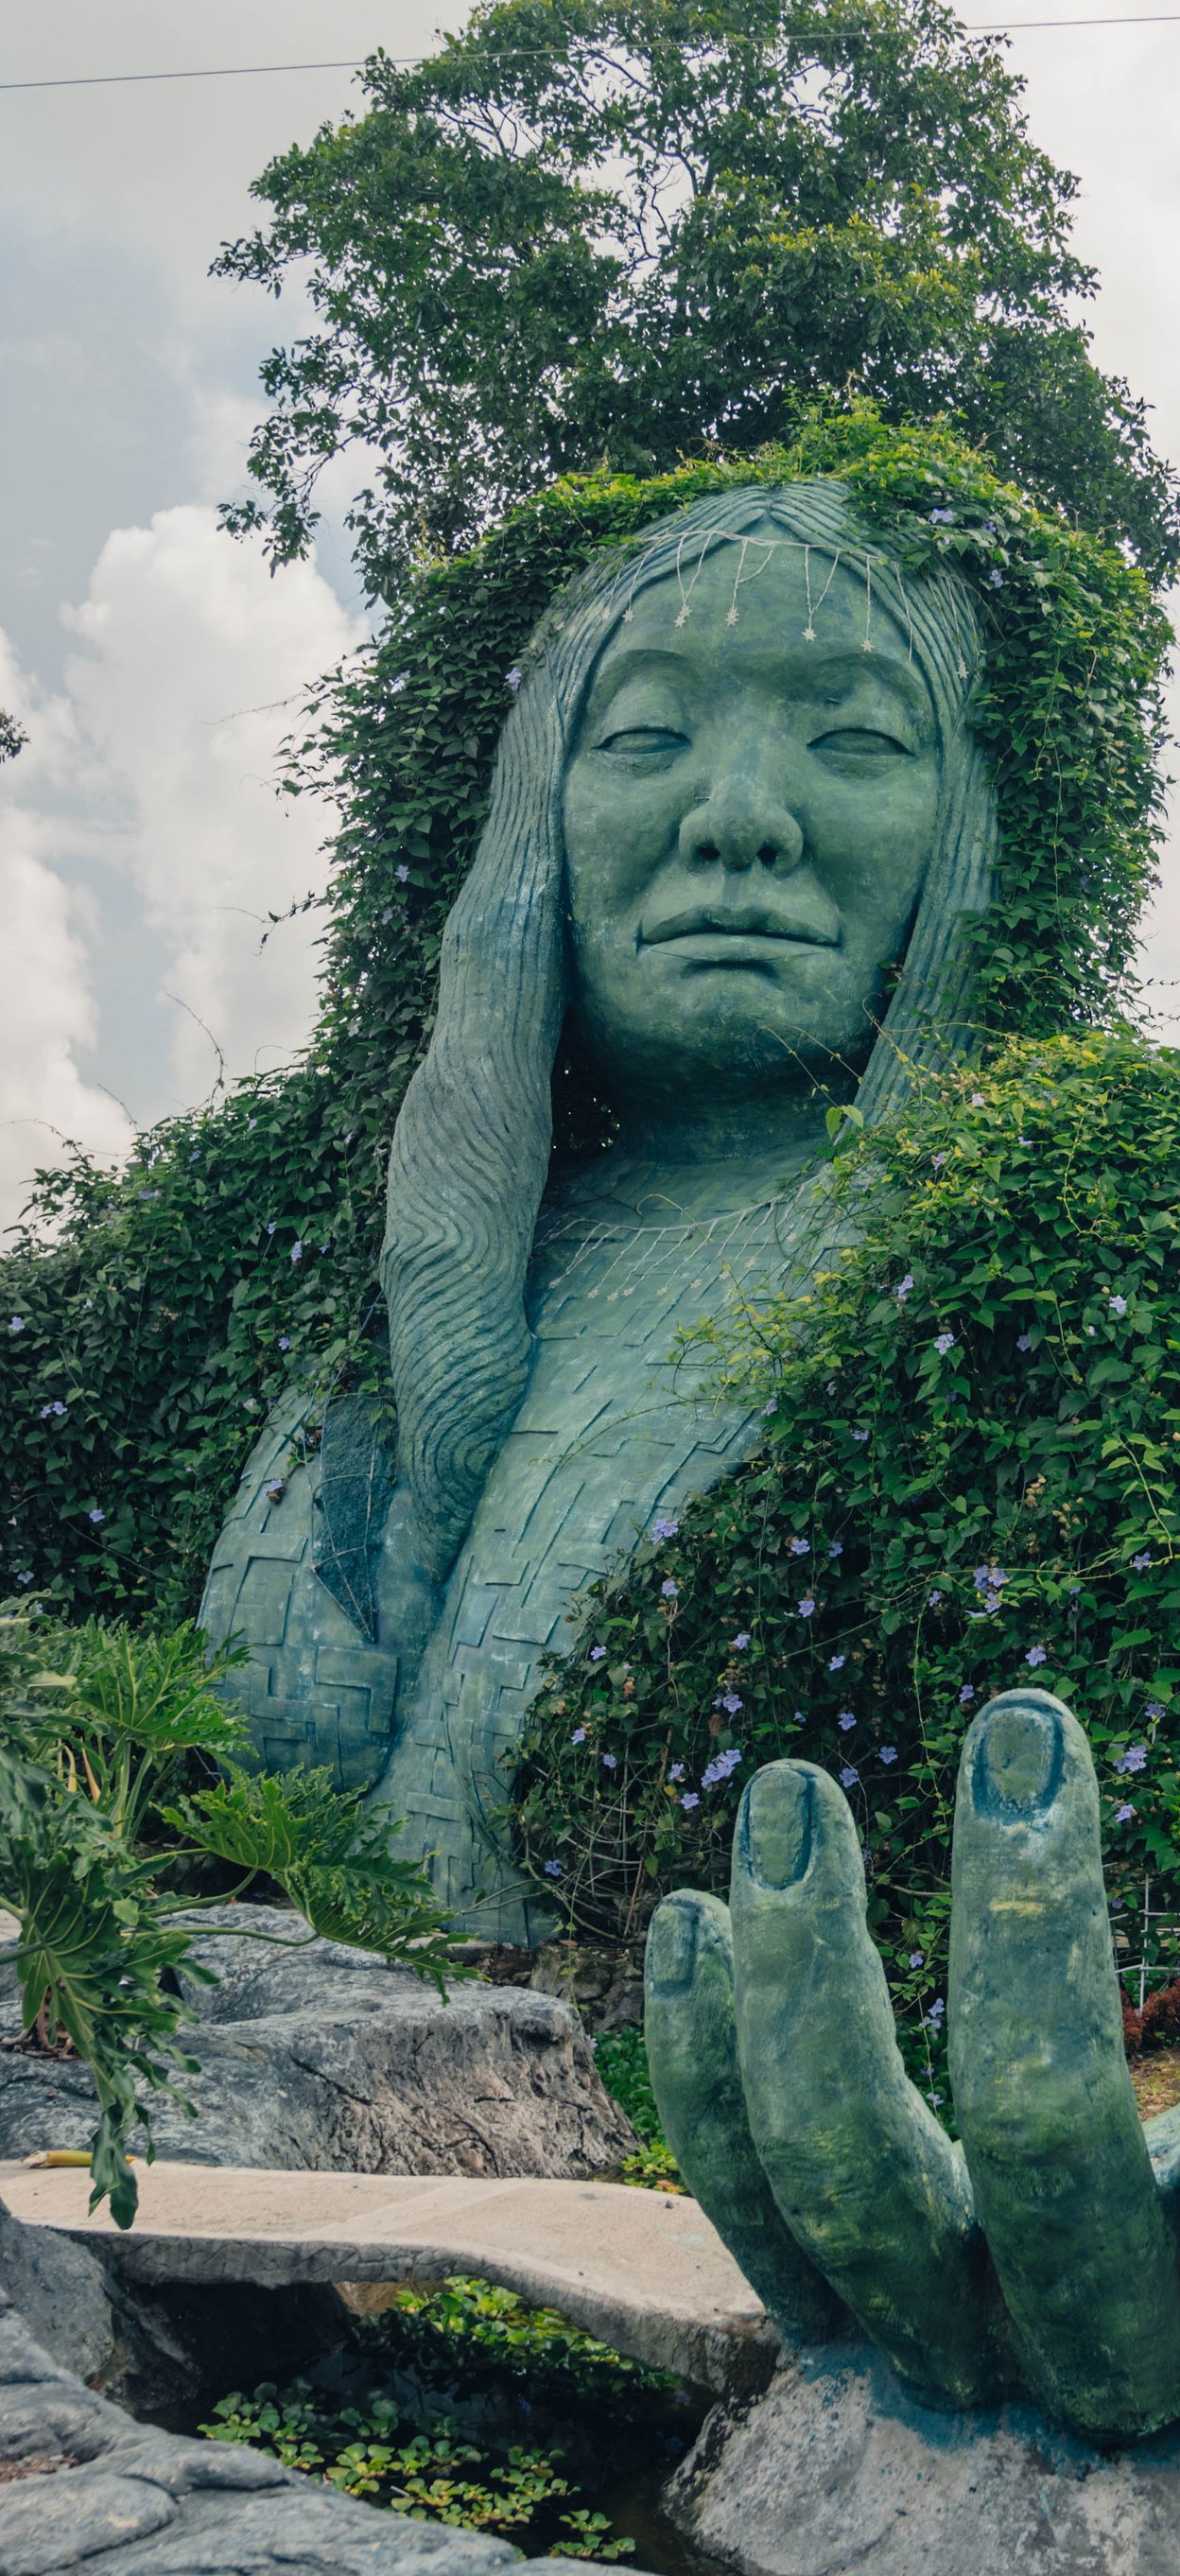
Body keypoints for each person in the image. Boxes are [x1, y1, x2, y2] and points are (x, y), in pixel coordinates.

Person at [200, 478, 998, 1939]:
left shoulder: (1002, 1282)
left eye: (859, 738)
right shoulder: (392, 1294)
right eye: (641, 736)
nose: (739, 821)